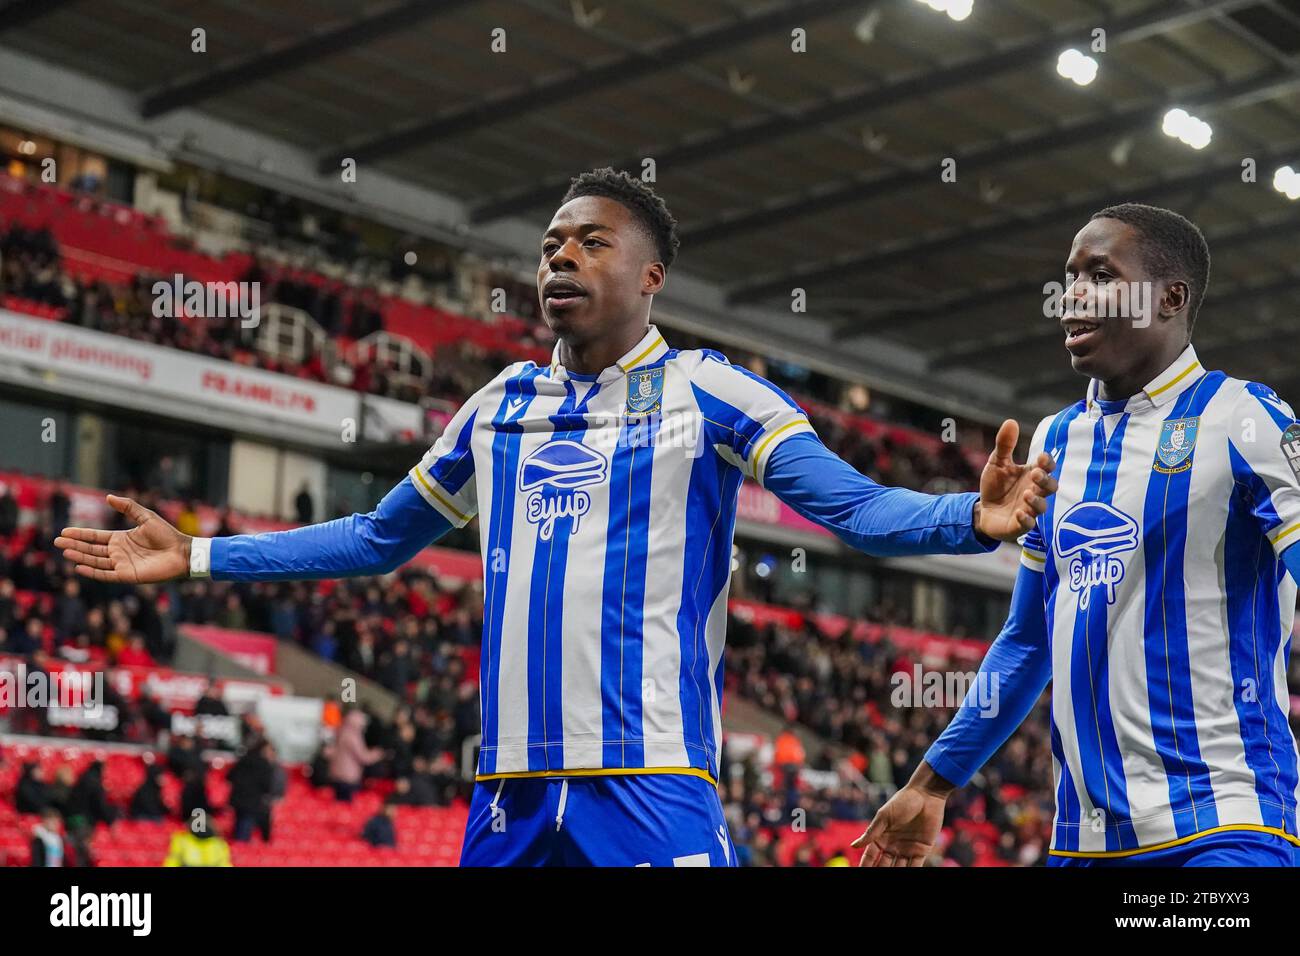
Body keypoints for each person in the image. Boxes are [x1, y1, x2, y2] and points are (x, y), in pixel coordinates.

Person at [54, 168, 1057, 868]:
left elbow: (857, 510)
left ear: (651, 276)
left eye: (590, 241)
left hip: (652, 778)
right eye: (548, 247)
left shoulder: (714, 393)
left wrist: (968, 517)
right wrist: (197, 555)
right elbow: (376, 537)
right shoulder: (499, 405)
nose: (559, 259)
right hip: (510, 790)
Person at [857, 204, 1300, 868]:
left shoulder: (1246, 419)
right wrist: (932, 782)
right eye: (1070, 277)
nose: (1073, 296)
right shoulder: (1056, 442)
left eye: (1100, 275)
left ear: (1169, 298)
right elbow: (1031, 637)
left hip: (1225, 829)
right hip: (1083, 843)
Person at [327, 708, 383, 802]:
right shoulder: (353, 737)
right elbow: (364, 757)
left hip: (336, 773)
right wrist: (377, 753)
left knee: (337, 803)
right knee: (345, 805)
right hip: (348, 776)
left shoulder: (341, 732)